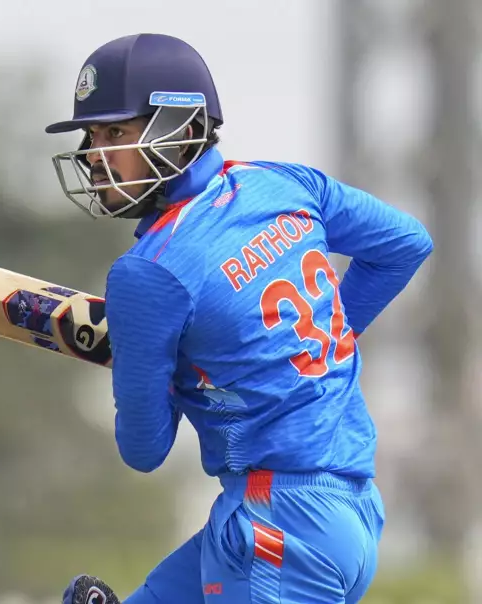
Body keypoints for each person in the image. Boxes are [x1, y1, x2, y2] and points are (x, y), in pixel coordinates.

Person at [45, 33, 433, 604]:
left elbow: (144, 449)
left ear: (178, 127)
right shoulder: (282, 184)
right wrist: (306, 346)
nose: (94, 156)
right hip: (347, 512)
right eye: (92, 137)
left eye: (116, 134)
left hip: (277, 525)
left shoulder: (148, 271)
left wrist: (154, 365)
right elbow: (406, 244)